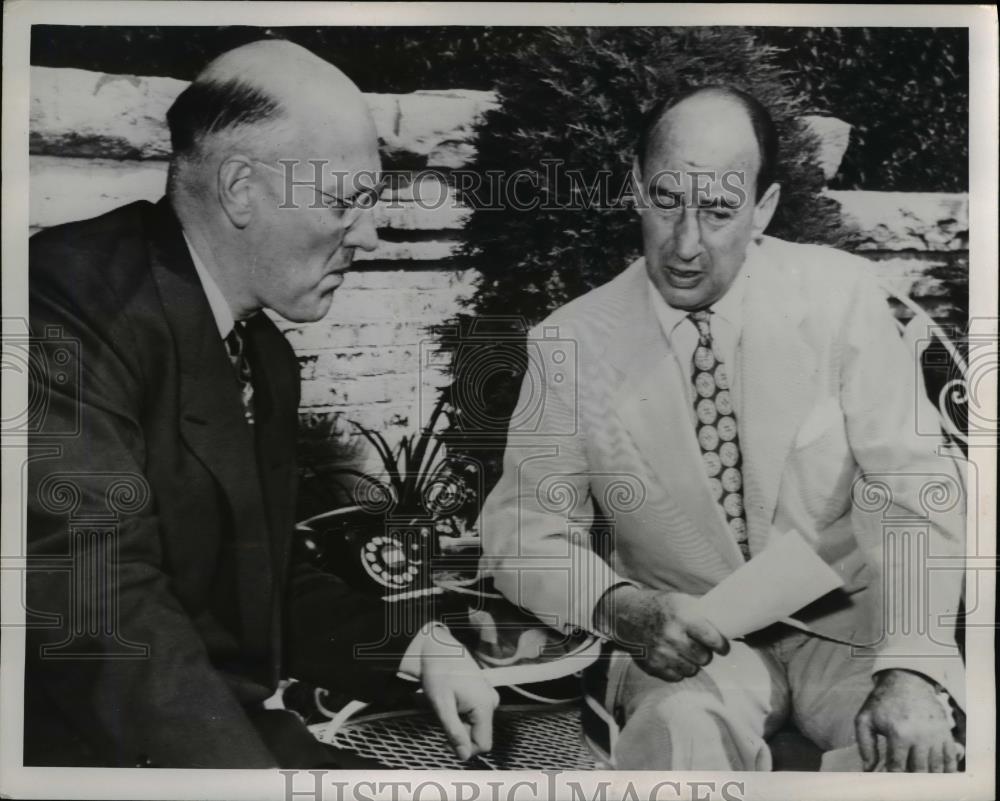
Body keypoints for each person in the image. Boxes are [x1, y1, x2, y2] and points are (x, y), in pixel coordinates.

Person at [26, 39, 497, 769]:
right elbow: (102, 615)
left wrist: (416, 643)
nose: (368, 235)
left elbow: (263, 579)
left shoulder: (264, 356)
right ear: (241, 187)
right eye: (346, 201)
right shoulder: (62, 306)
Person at [479, 86, 966, 772]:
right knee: (679, 737)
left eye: (717, 211)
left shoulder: (842, 295)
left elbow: (917, 486)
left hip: (854, 630)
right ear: (635, 189)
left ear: (762, 207)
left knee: (916, 752)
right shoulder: (571, 342)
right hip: (688, 646)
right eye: (666, 201)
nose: (684, 244)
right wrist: (625, 608)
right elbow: (522, 535)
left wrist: (914, 662)